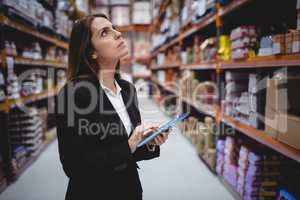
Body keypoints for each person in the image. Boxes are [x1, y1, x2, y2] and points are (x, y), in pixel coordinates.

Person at [55, 13, 170, 200]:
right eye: (104, 33)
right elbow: (74, 166)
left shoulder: (127, 90)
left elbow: (128, 152)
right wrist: (129, 145)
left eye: (114, 28)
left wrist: (148, 142)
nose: (118, 34)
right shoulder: (74, 94)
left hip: (130, 191)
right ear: (91, 51)